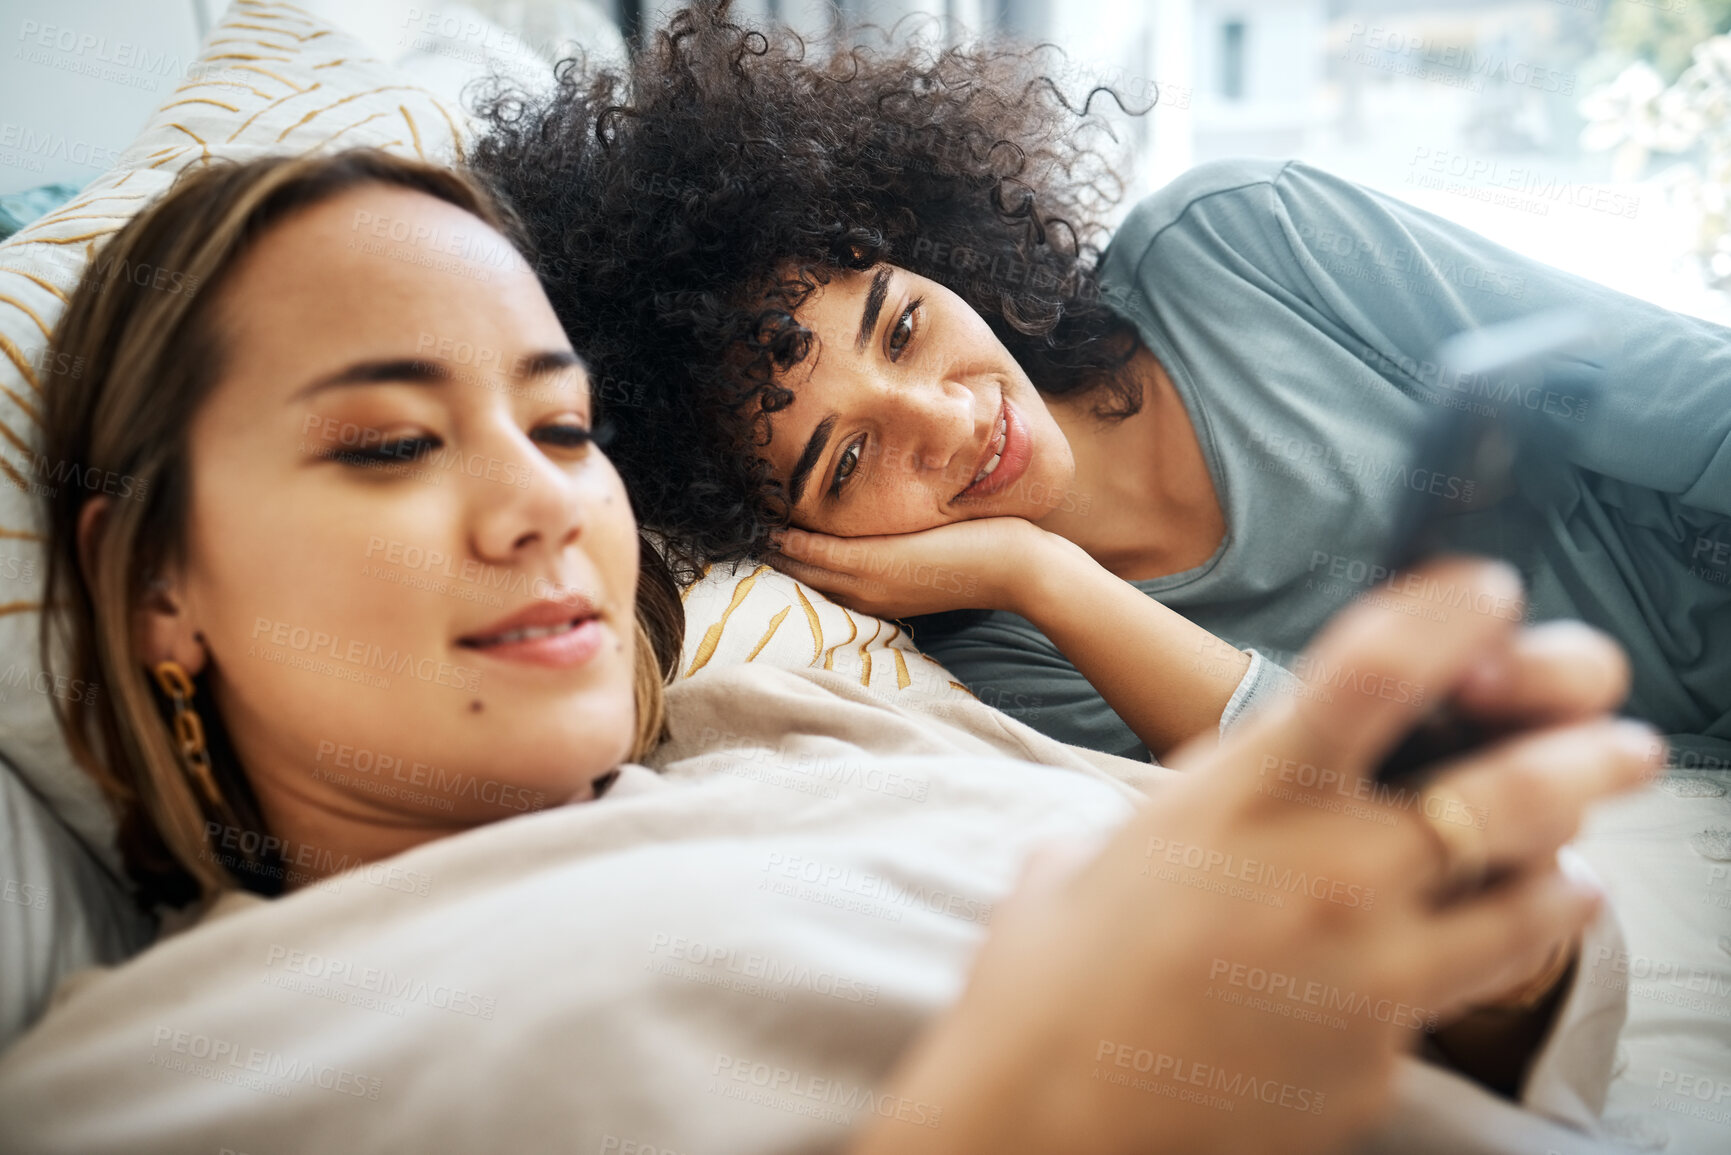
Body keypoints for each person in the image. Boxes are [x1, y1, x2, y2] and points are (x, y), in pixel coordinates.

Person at [0, 148, 1657, 1154]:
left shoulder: (788, 721)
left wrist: (1473, 959)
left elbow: (1491, 1052)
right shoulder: (150, 1077)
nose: (536, 505)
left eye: (563, 426)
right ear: (157, 586)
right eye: (383, 445)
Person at [473, 1, 1731, 764]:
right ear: (789, 538)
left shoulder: (1242, 242)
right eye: (846, 462)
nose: (953, 420)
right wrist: (1040, 573)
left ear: (932, 253)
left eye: (905, 327)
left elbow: (1692, 402)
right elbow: (1352, 781)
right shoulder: (1010, 656)